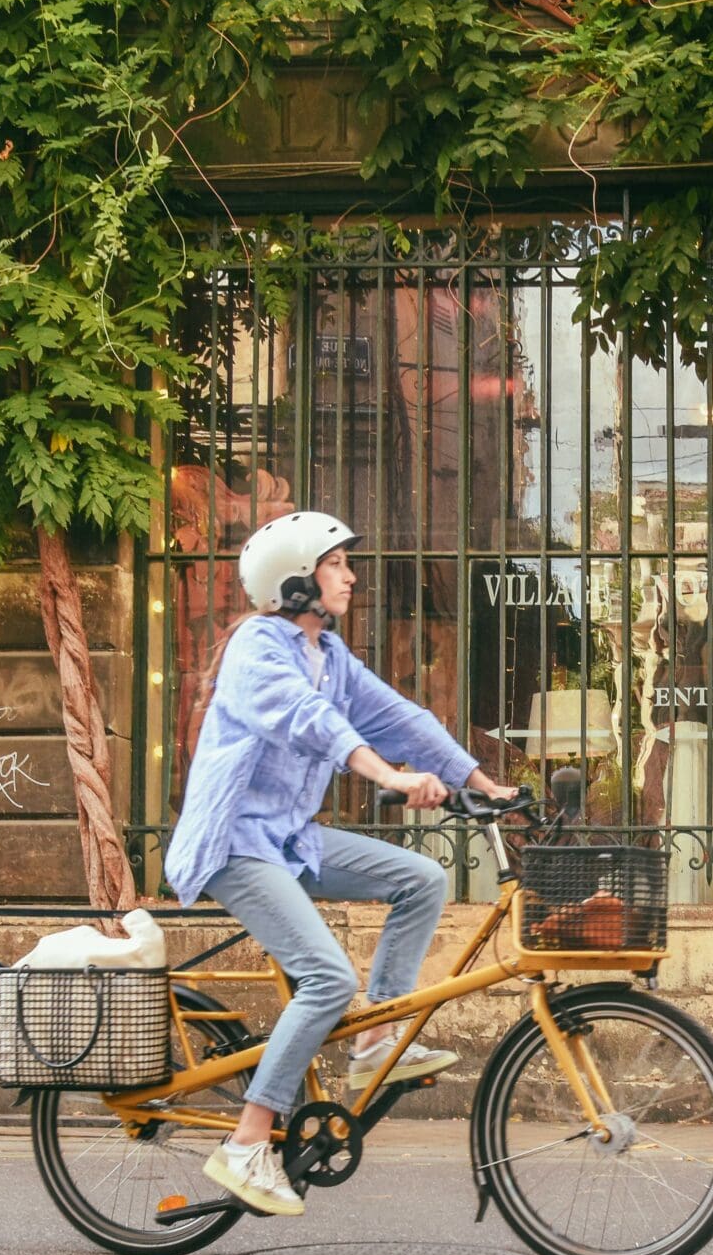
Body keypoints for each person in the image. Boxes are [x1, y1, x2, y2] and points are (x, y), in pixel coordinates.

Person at [164, 511, 516, 1216]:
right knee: (326, 978)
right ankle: (246, 1141)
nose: (351, 575)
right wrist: (387, 777)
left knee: (420, 877)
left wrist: (481, 781)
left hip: (291, 838)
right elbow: (310, 720)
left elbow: (398, 715)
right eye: (335, 564)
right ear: (294, 579)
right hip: (236, 843)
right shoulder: (258, 648)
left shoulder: (325, 651)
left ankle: (377, 1037)